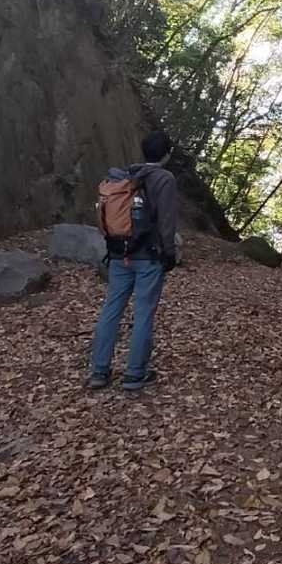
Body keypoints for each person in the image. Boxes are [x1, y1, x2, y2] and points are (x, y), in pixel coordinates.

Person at [88, 129, 178, 390]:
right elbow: (167, 220)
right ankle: (135, 373)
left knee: (111, 310)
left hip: (119, 254)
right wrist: (169, 253)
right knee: (143, 313)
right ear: (167, 154)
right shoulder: (164, 178)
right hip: (148, 257)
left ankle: (99, 371)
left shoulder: (127, 176)